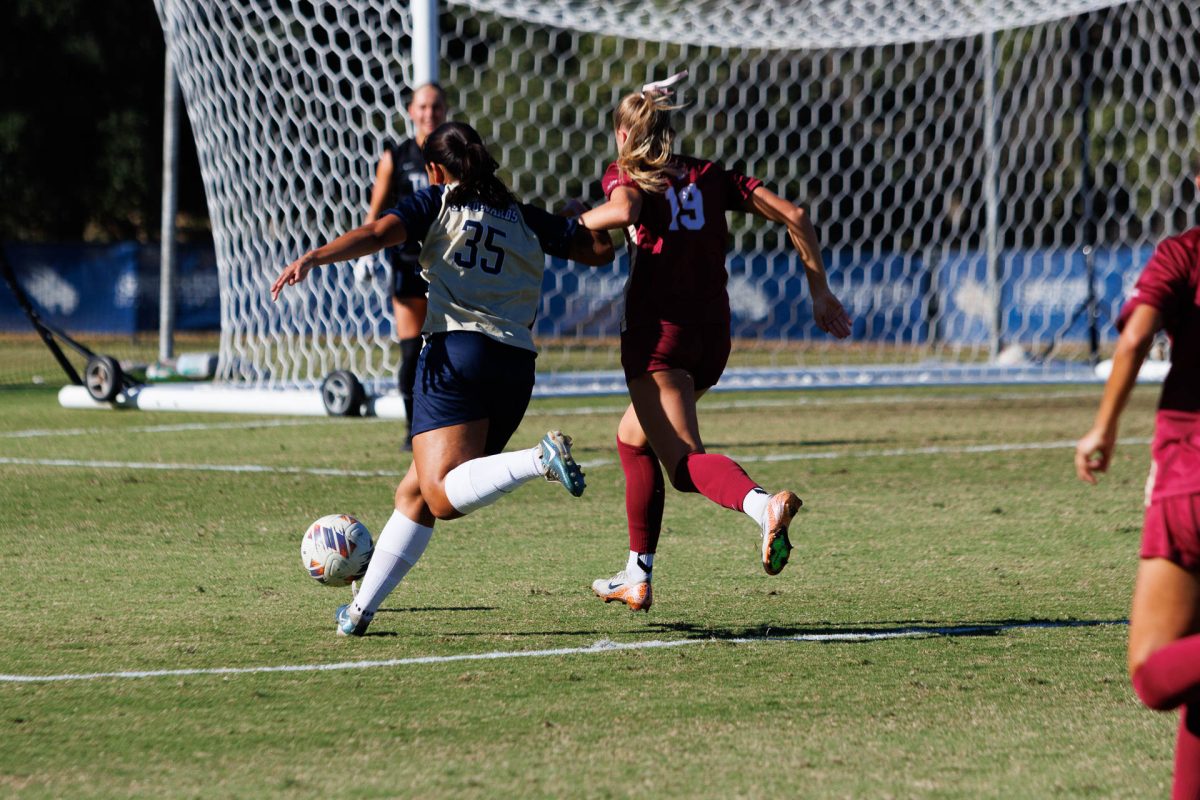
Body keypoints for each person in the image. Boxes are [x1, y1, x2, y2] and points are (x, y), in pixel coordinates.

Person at [273, 121, 615, 636]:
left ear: (436, 169)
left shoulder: (436, 201)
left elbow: (375, 233)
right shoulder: (523, 216)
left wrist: (316, 256)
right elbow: (600, 250)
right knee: (415, 493)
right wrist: (579, 216)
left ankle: (536, 460)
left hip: (456, 355)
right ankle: (360, 610)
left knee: (439, 496)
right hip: (516, 365)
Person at [574, 73, 853, 612]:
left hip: (659, 341)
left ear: (624, 137)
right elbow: (794, 215)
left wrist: (570, 225)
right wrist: (819, 292)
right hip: (713, 340)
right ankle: (636, 573)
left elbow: (626, 209)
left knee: (681, 464)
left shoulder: (626, 172)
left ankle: (761, 505)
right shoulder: (710, 175)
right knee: (632, 440)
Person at [1075, 194, 1200, 798]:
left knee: (1154, 673)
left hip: (1190, 478)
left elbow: (1131, 342)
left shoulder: (1185, 253)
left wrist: (1104, 428)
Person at [364, 83, 449, 449]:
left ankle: (448, 426)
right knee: (412, 351)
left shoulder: (454, 156)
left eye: (436, 107)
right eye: (423, 107)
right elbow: (376, 212)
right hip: (407, 264)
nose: (429, 113)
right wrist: (366, 253)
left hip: (447, 265)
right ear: (411, 112)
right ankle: (413, 430)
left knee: (449, 348)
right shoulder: (395, 157)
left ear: (445, 111)